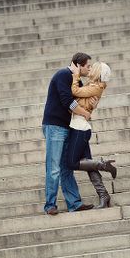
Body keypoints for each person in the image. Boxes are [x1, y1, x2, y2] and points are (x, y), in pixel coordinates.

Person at [42, 52, 98, 215]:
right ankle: (50, 205)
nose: (89, 69)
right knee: (53, 168)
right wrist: (85, 114)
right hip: (55, 126)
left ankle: (74, 203)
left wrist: (91, 105)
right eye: (87, 66)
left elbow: (79, 103)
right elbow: (67, 101)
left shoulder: (77, 81)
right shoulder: (63, 75)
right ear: (78, 64)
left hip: (68, 126)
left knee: (66, 167)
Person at [67, 61, 117, 209]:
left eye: (92, 68)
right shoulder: (94, 86)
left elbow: (75, 92)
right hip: (80, 125)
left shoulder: (95, 87)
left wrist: (76, 76)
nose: (89, 69)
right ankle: (104, 195)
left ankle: (103, 165)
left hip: (79, 127)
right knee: (88, 164)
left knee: (71, 163)